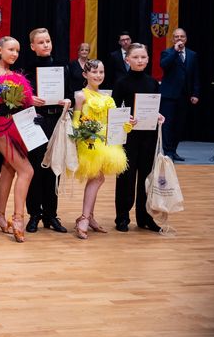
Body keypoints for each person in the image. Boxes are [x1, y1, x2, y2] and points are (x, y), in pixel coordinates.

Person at [0, 36, 34, 243]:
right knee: (26, 171)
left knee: (9, 170)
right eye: (11, 49)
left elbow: (23, 103)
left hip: (17, 128)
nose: (15, 54)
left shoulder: (16, 76)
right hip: (0, 129)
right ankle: (18, 219)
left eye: (17, 51)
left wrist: (31, 106)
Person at [70, 59, 128, 239]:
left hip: (106, 140)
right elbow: (75, 121)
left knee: (98, 178)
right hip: (89, 140)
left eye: (101, 72)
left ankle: (89, 217)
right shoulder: (81, 95)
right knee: (97, 178)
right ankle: (84, 218)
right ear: (85, 74)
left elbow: (115, 122)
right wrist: (83, 133)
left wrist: (127, 124)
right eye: (94, 72)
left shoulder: (108, 98)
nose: (98, 75)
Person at [22, 28, 71, 234]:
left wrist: (68, 100)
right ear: (33, 46)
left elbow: (70, 94)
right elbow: (20, 97)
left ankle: (51, 215)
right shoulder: (27, 69)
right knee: (35, 168)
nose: (46, 45)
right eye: (41, 42)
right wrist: (29, 99)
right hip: (35, 121)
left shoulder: (62, 66)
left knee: (53, 168)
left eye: (48, 41)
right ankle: (34, 214)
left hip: (56, 121)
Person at [112, 43, 165, 232]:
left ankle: (145, 217)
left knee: (146, 176)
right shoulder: (121, 83)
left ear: (148, 59)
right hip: (129, 136)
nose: (140, 60)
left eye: (143, 57)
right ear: (127, 60)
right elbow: (114, 109)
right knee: (126, 178)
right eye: (135, 57)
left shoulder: (153, 83)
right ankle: (122, 217)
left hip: (148, 136)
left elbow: (154, 107)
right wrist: (125, 117)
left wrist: (159, 115)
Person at [159, 28, 200, 161]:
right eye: (176, 37)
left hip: (184, 95)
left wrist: (195, 93)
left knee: (179, 125)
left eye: (182, 37)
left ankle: (173, 150)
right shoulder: (167, 52)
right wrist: (175, 51)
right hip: (168, 95)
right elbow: (164, 65)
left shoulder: (192, 54)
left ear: (186, 39)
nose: (179, 39)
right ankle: (167, 152)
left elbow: (195, 76)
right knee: (168, 125)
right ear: (173, 39)